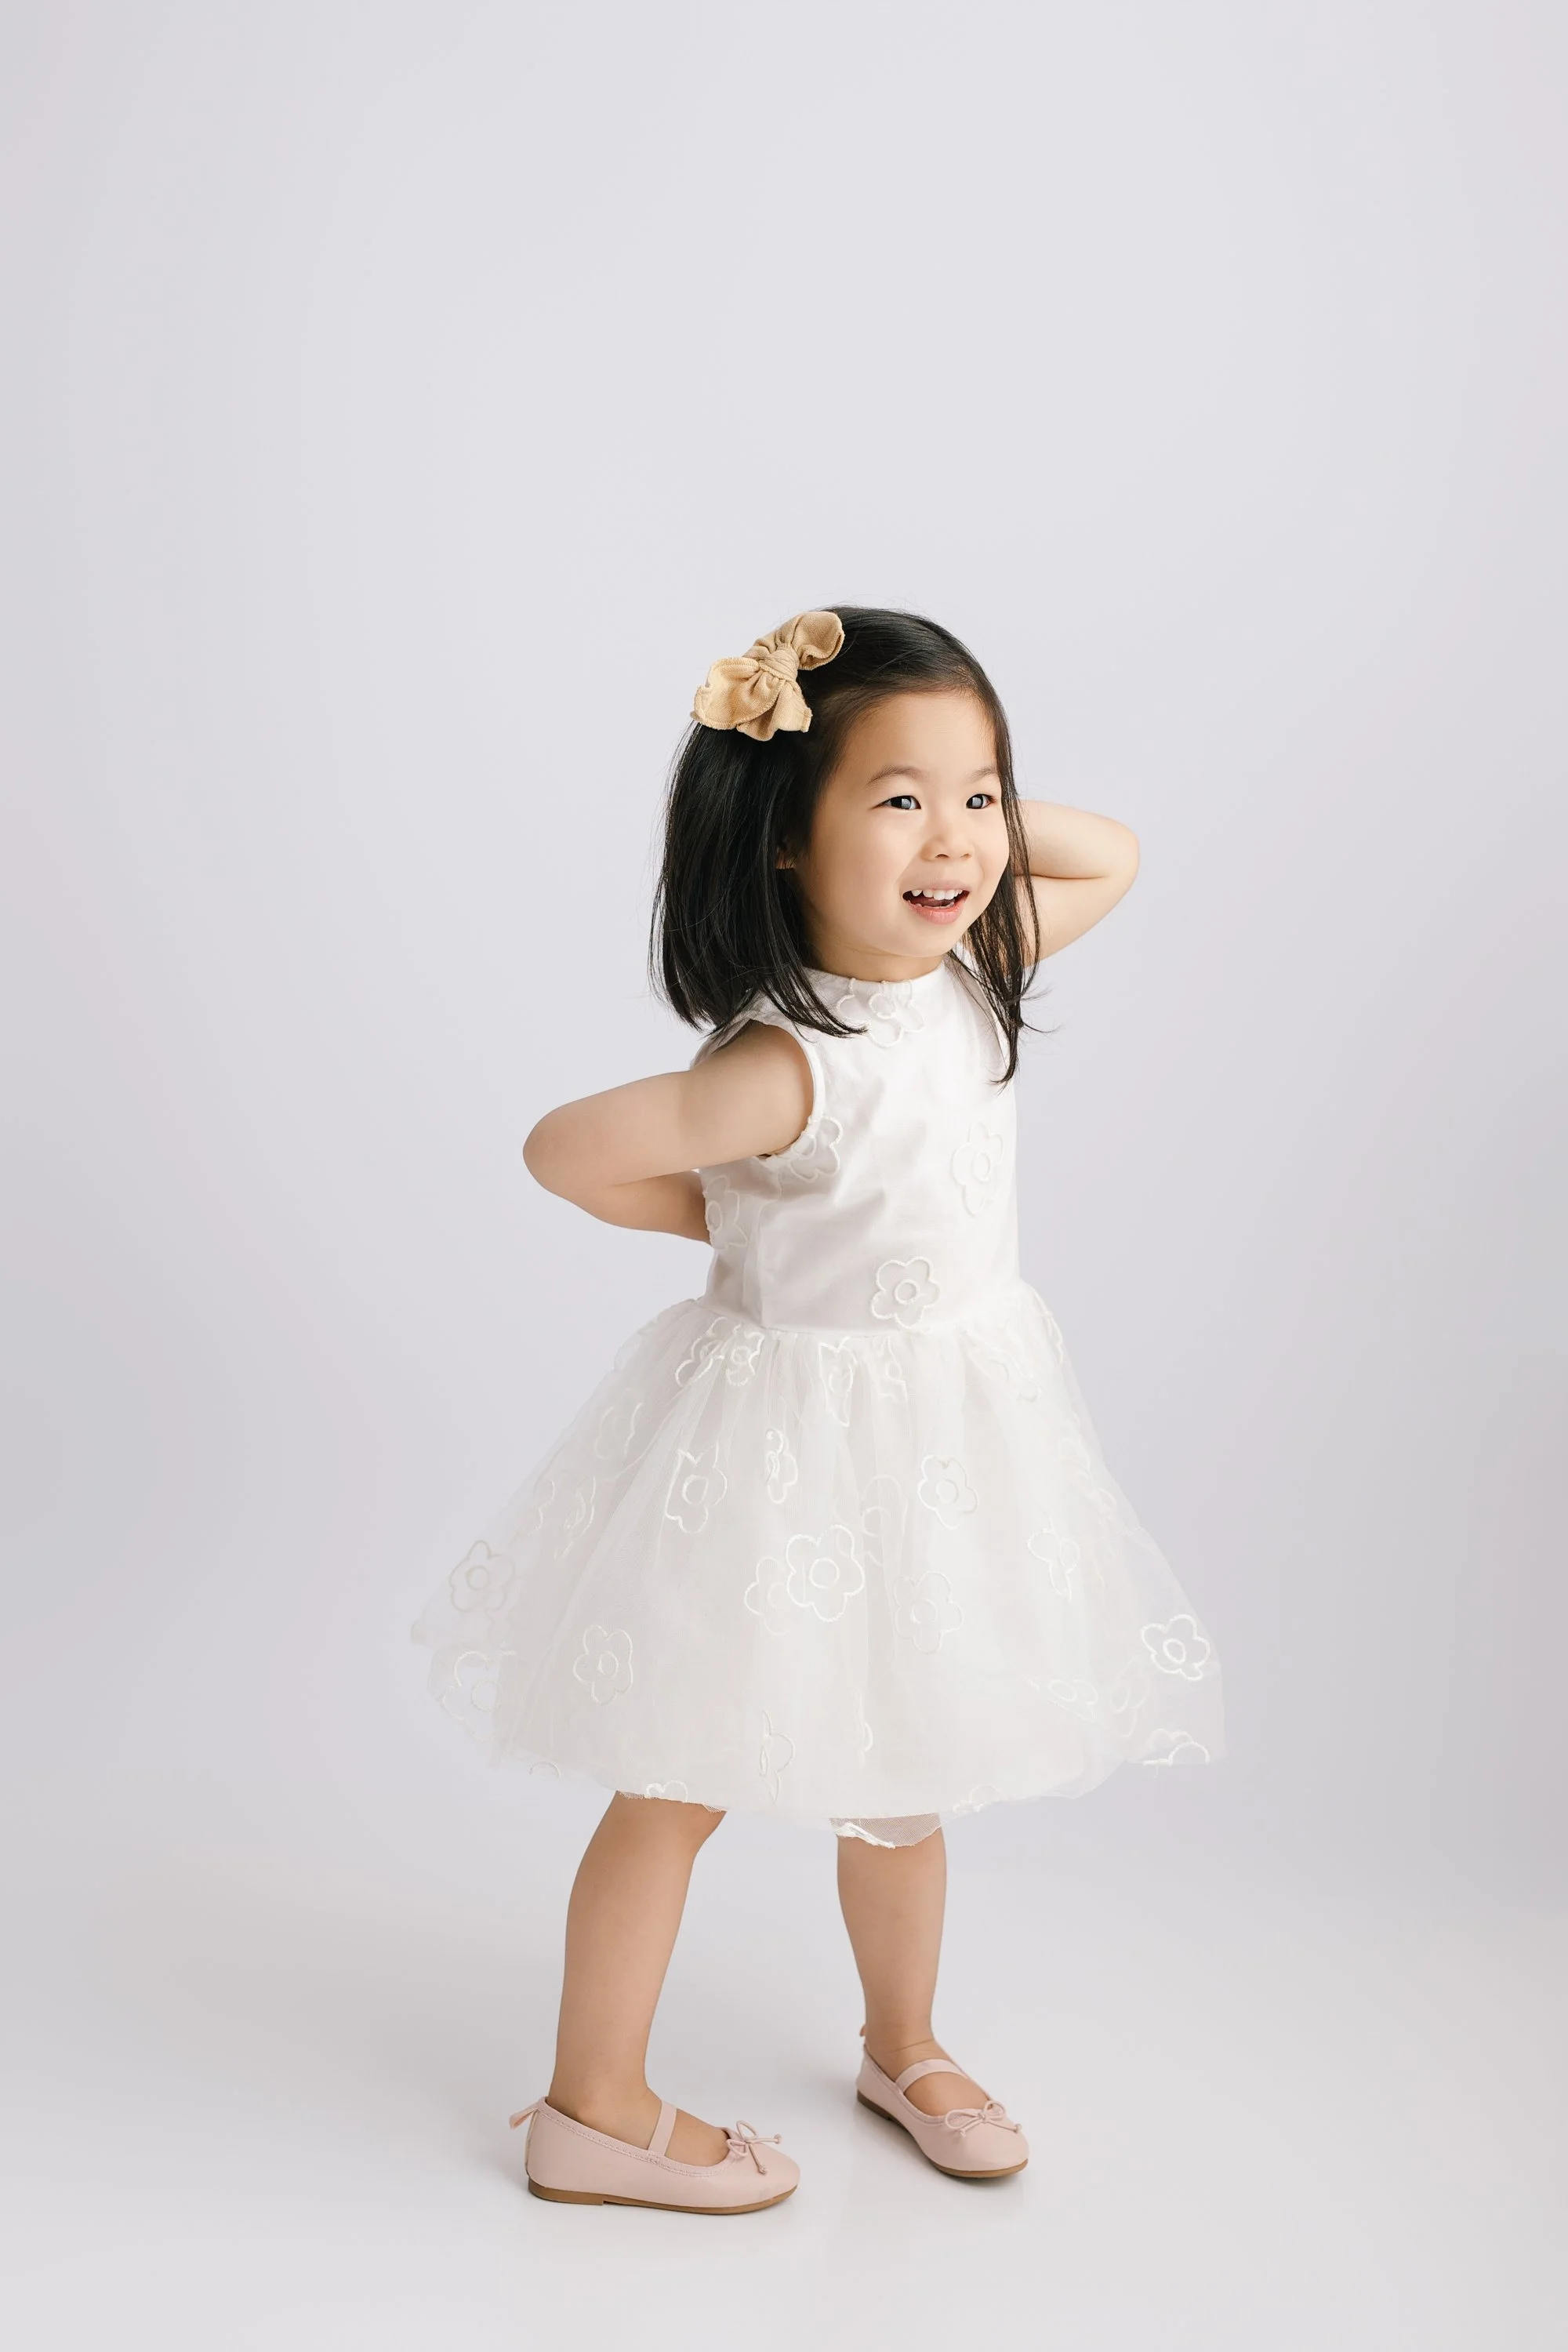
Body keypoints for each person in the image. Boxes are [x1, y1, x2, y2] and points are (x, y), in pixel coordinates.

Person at [412, 606, 1224, 2214]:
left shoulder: (975, 967)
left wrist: (955, 788)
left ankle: (901, 2041)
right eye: (898, 801)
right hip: (784, 1455)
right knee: (675, 1776)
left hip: (942, 1444)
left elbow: (1112, 853)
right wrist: (736, 1225)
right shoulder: (790, 1064)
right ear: (786, 841)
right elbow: (565, 1148)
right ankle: (592, 2104)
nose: (959, 840)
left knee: (906, 1761)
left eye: (981, 795)